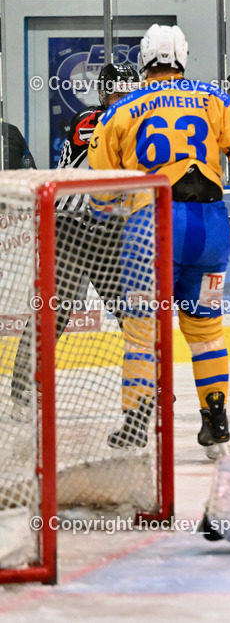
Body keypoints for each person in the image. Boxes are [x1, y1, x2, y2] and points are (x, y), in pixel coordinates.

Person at [89, 24, 230, 459]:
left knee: (142, 333)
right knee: (207, 332)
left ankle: (137, 424)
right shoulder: (214, 99)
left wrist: (107, 219)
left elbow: (101, 187)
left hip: (151, 229)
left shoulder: (123, 108)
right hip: (211, 230)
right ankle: (216, 421)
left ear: (144, 59)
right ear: (183, 58)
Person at [8, 64, 142, 432]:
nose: (124, 101)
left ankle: (147, 386)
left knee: (132, 314)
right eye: (117, 94)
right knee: (56, 310)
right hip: (68, 228)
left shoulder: (136, 121)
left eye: (129, 94)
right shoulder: (88, 119)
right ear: (103, 95)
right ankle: (22, 390)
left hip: (109, 229)